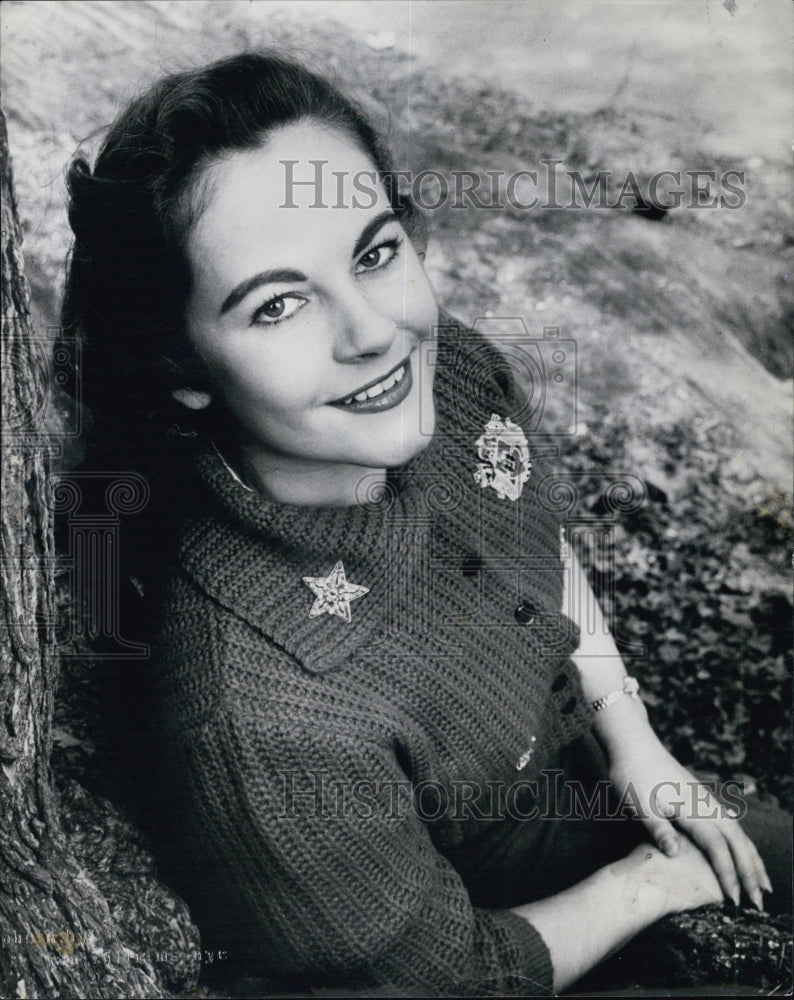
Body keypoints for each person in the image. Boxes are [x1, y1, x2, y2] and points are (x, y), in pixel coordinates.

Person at [61, 52, 789, 996]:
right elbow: (446, 975)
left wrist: (634, 741)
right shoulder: (261, 722)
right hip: (512, 926)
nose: (373, 330)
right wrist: (650, 883)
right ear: (180, 368)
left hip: (594, 781)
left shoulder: (449, 383)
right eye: (277, 304)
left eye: (374, 252)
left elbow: (533, 539)